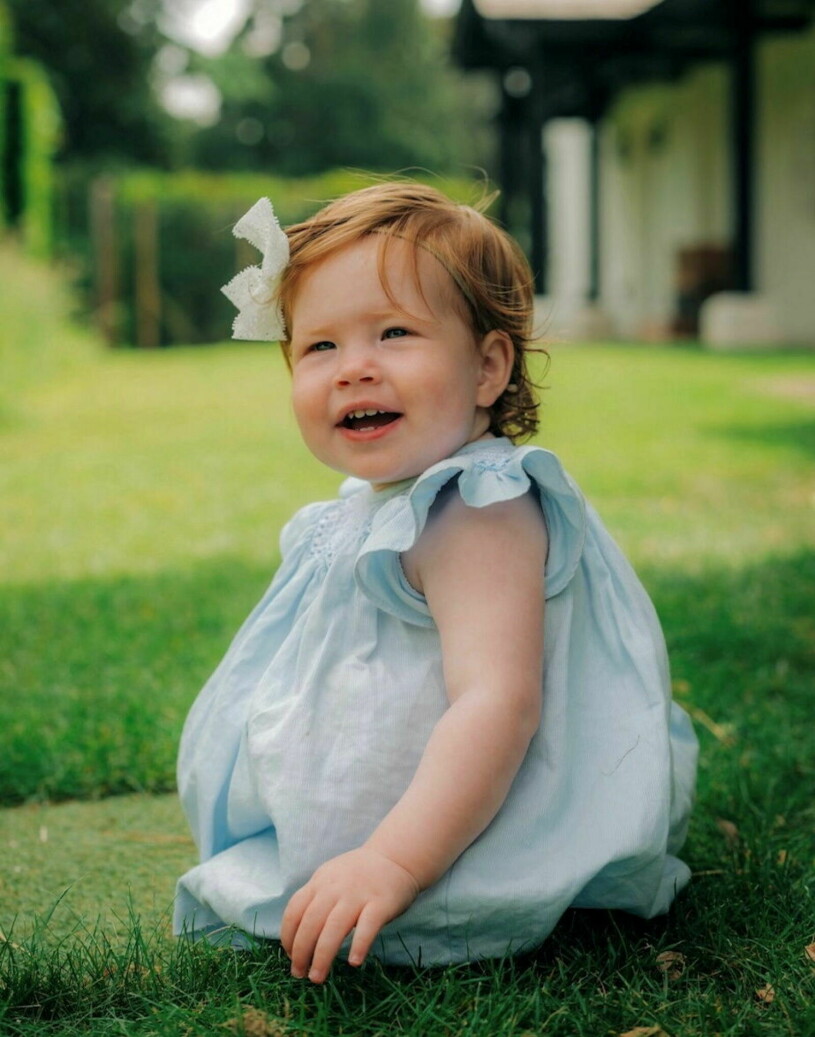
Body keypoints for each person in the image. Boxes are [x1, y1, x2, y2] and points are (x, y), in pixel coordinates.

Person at [174, 182, 698, 985]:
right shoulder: (380, 504)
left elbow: (498, 701)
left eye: (393, 333)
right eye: (319, 346)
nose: (354, 369)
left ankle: (407, 876)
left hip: (451, 835)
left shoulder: (477, 509)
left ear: (487, 367)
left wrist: (391, 859)